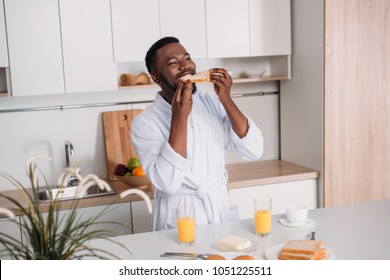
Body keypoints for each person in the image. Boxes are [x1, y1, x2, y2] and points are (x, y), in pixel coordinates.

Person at [131, 37, 263, 231]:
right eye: (173, 63)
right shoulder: (144, 123)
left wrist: (226, 99)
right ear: (156, 77)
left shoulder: (210, 103)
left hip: (219, 208)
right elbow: (167, 182)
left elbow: (253, 150)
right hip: (179, 217)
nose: (186, 66)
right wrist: (179, 117)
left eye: (187, 58)